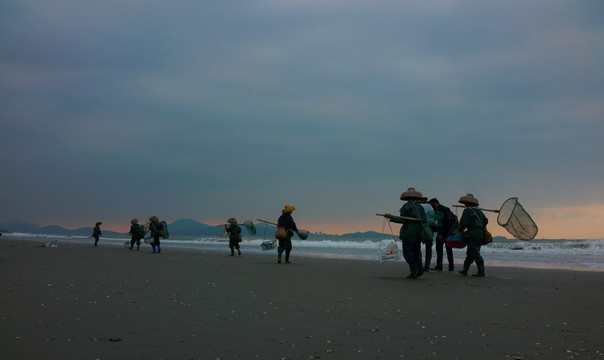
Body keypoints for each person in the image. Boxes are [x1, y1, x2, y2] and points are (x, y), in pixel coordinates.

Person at [383, 187, 427, 279]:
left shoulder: (406, 206)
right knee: (417, 252)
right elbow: (425, 220)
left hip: (409, 233)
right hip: (418, 233)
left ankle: (414, 271)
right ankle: (420, 267)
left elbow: (402, 220)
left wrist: (391, 217)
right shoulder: (420, 207)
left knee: (407, 253)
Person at [457, 194, 488, 277]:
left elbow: (463, 223)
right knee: (470, 253)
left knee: (475, 253)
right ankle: (465, 270)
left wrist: (458, 230)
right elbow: (486, 221)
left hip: (472, 234)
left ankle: (481, 271)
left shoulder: (468, 210)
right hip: (480, 234)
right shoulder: (479, 211)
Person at [429, 198, 458, 272]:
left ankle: (439, 266)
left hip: (442, 233)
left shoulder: (439, 210)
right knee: (449, 250)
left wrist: (440, 233)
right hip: (449, 233)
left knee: (439, 249)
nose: (431, 206)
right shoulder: (447, 210)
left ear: (435, 203)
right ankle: (451, 267)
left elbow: (439, 223)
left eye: (432, 204)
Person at [419, 197, 436, 272]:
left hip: (419, 229)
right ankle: (426, 266)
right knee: (428, 249)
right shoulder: (430, 206)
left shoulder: (418, 206)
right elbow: (433, 220)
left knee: (417, 248)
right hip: (429, 230)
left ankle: (419, 265)